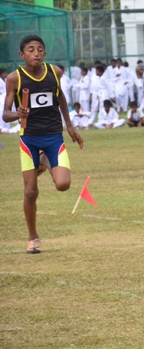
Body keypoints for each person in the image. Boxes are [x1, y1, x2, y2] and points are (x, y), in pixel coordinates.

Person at [2, 35, 84, 254]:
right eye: (30, 50)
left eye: (39, 49)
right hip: (29, 139)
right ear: (22, 55)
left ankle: (44, 161)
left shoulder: (54, 72)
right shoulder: (14, 78)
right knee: (30, 192)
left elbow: (61, 97)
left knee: (63, 184)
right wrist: (17, 114)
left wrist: (69, 126)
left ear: (45, 53)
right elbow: (5, 114)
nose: (36, 53)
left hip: (53, 137)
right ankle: (33, 238)